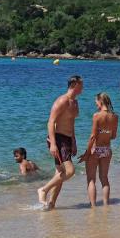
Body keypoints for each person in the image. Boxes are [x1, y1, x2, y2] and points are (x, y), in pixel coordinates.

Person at [38, 74, 83, 209]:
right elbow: (51, 122)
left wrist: (74, 141)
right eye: (81, 85)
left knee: (60, 174)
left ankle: (51, 204)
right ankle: (43, 190)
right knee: (69, 171)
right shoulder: (62, 100)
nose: (83, 88)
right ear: (74, 85)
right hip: (58, 138)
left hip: (67, 139)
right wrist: (52, 143)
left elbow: (71, 122)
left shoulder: (75, 102)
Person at [81, 92, 119, 207]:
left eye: (96, 102)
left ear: (100, 102)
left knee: (91, 179)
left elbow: (93, 136)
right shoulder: (115, 117)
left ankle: (93, 206)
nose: (96, 105)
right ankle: (106, 205)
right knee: (104, 178)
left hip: (95, 149)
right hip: (107, 149)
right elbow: (113, 136)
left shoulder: (96, 116)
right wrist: (105, 132)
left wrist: (87, 153)